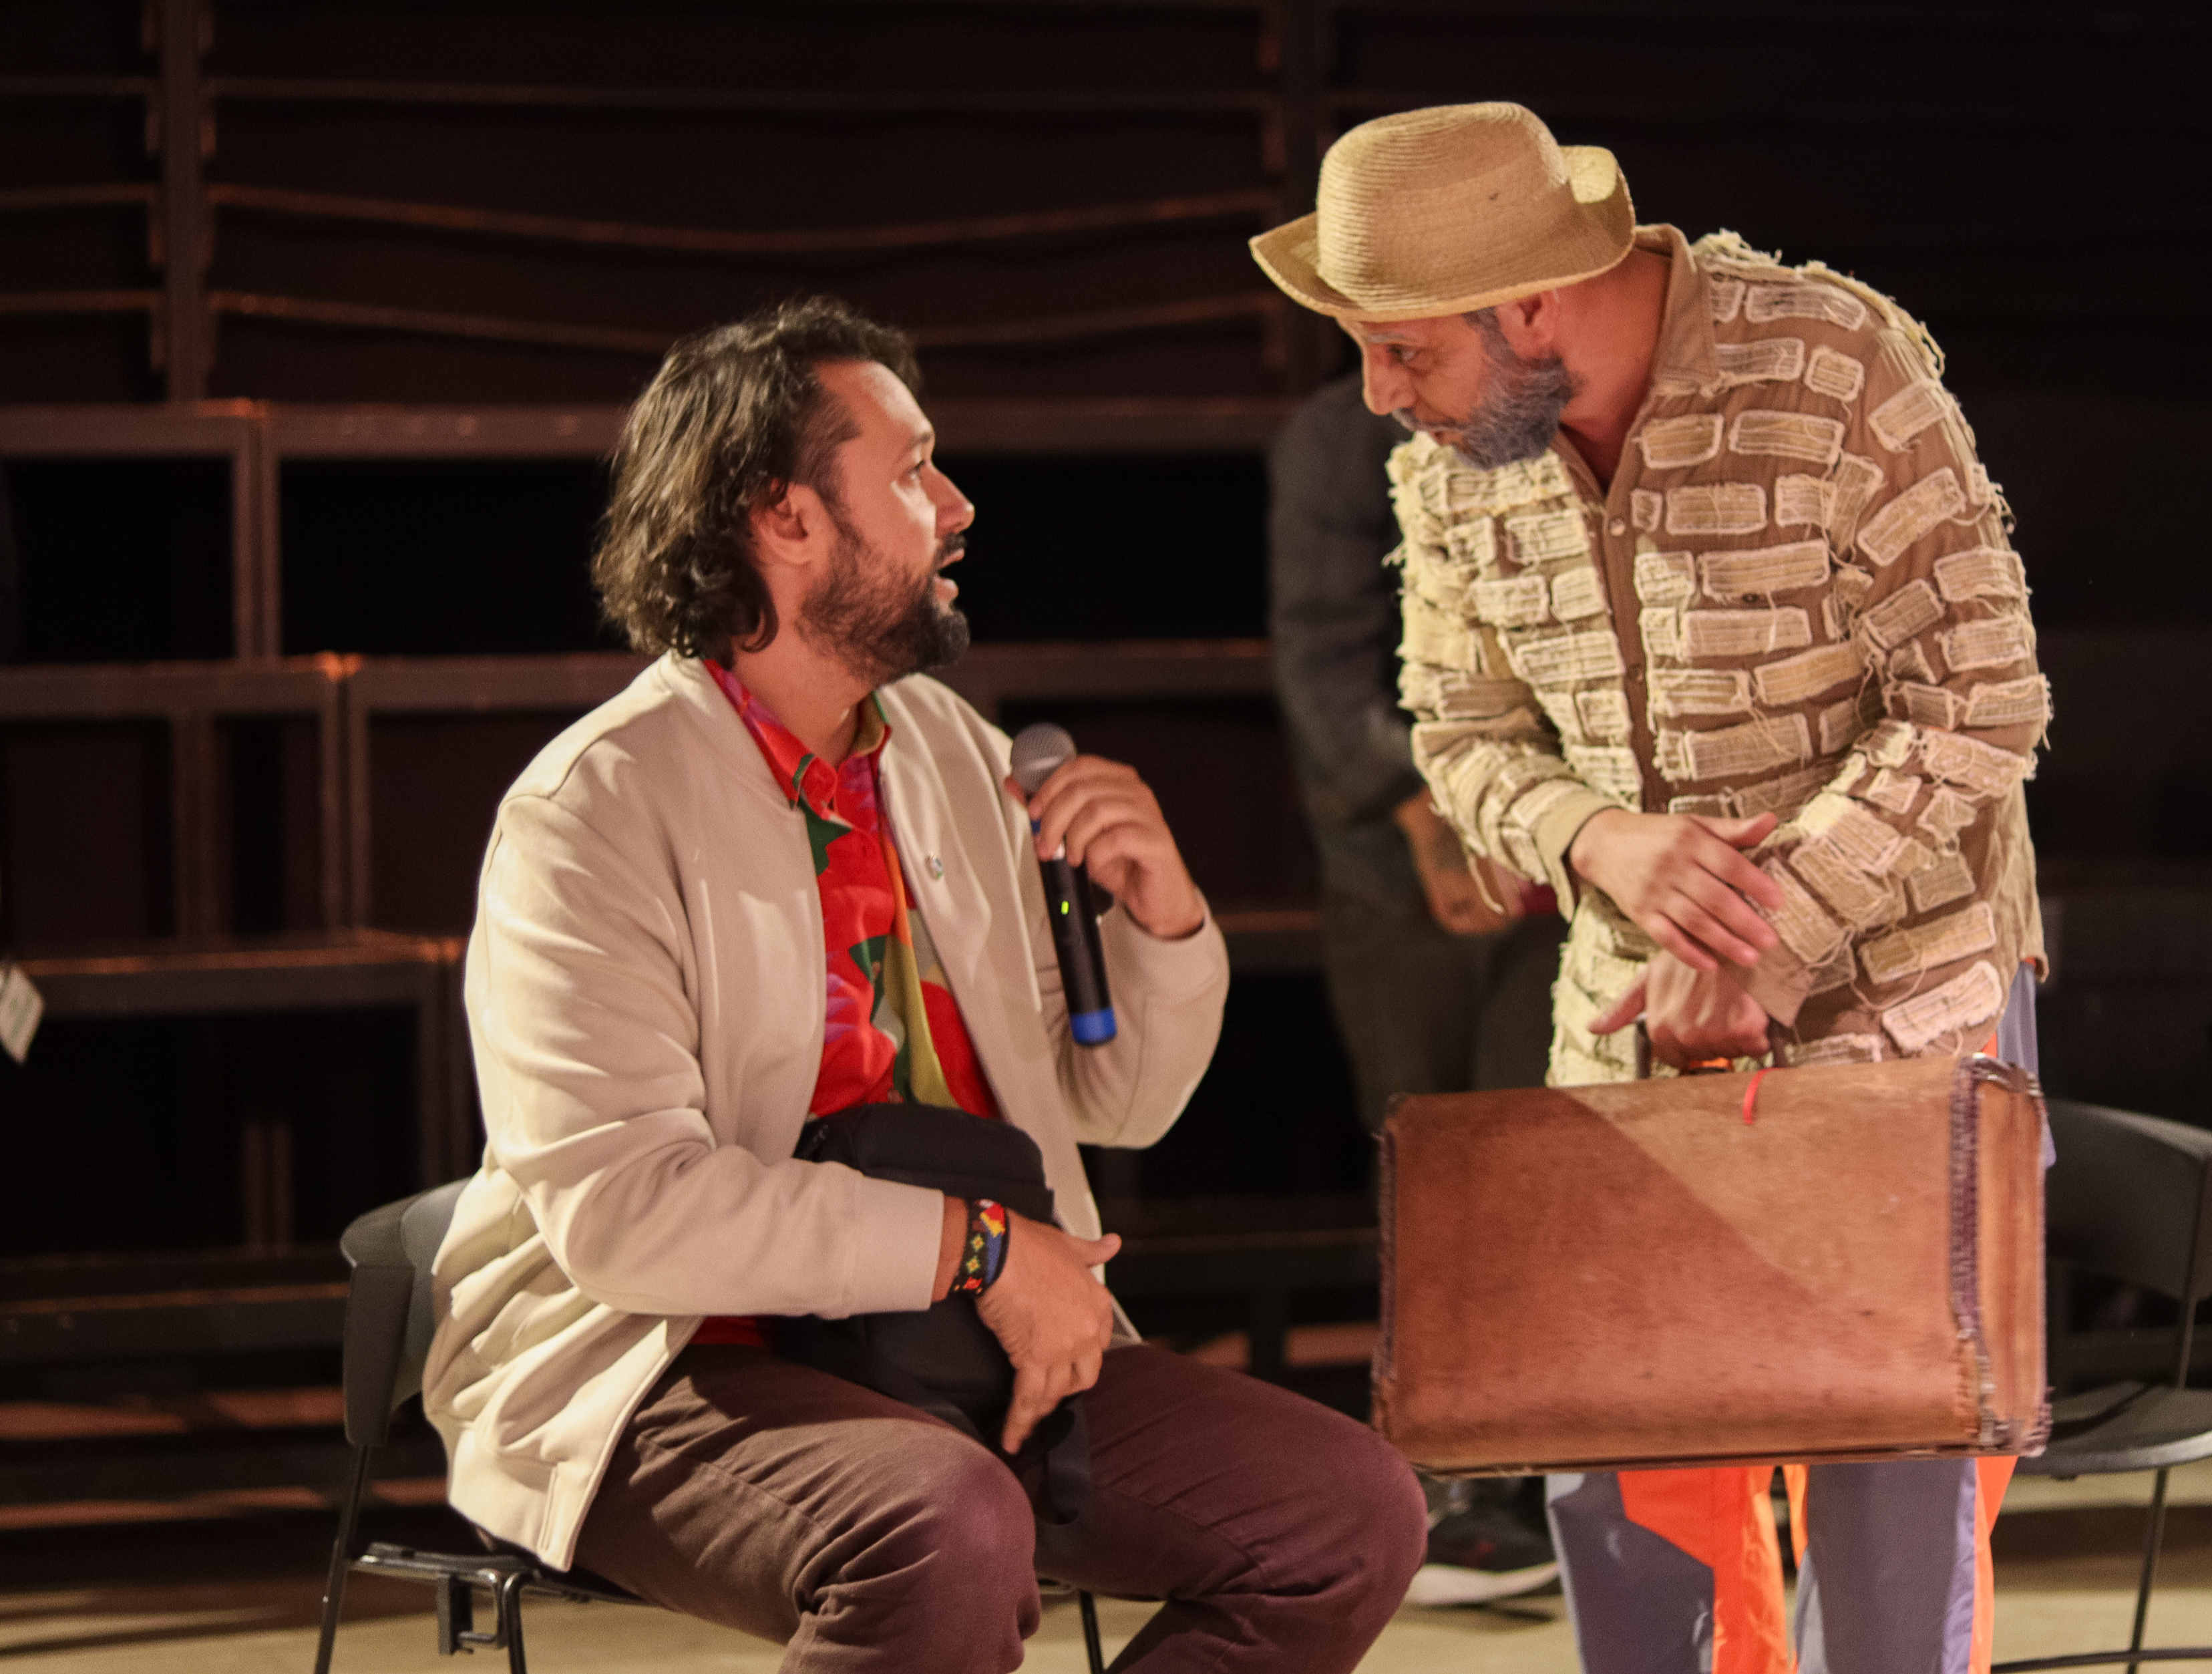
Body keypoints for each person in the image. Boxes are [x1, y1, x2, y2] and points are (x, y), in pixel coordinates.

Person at [423, 297, 1425, 1673]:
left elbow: (1117, 1104)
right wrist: (982, 1247)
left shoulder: (951, 748)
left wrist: (1163, 923)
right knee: (943, 1524)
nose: (956, 505)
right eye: (910, 470)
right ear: (784, 518)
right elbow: (627, 1214)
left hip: (954, 1339)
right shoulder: (593, 808)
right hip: (665, 1354)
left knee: (1344, 1511)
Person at [1250, 104, 2048, 1674]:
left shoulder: (1827, 363)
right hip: (1623, 1033)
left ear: (1531, 303)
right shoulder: (1453, 458)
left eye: (1401, 350)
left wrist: (1773, 930)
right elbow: (1459, 733)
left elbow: (1978, 697)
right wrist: (1596, 839)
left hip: (1898, 1018)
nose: (1378, 394)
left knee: (1890, 1527)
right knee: (1620, 1500)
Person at [1268, 373, 1566, 1606]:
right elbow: (1324, 655)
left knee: (1542, 1158)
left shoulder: (1554, 404)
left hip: (1564, 835)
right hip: (1401, 859)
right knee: (1434, 1163)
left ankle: (1542, 1472)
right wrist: (1432, 819)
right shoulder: (1340, 438)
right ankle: (1453, 1476)